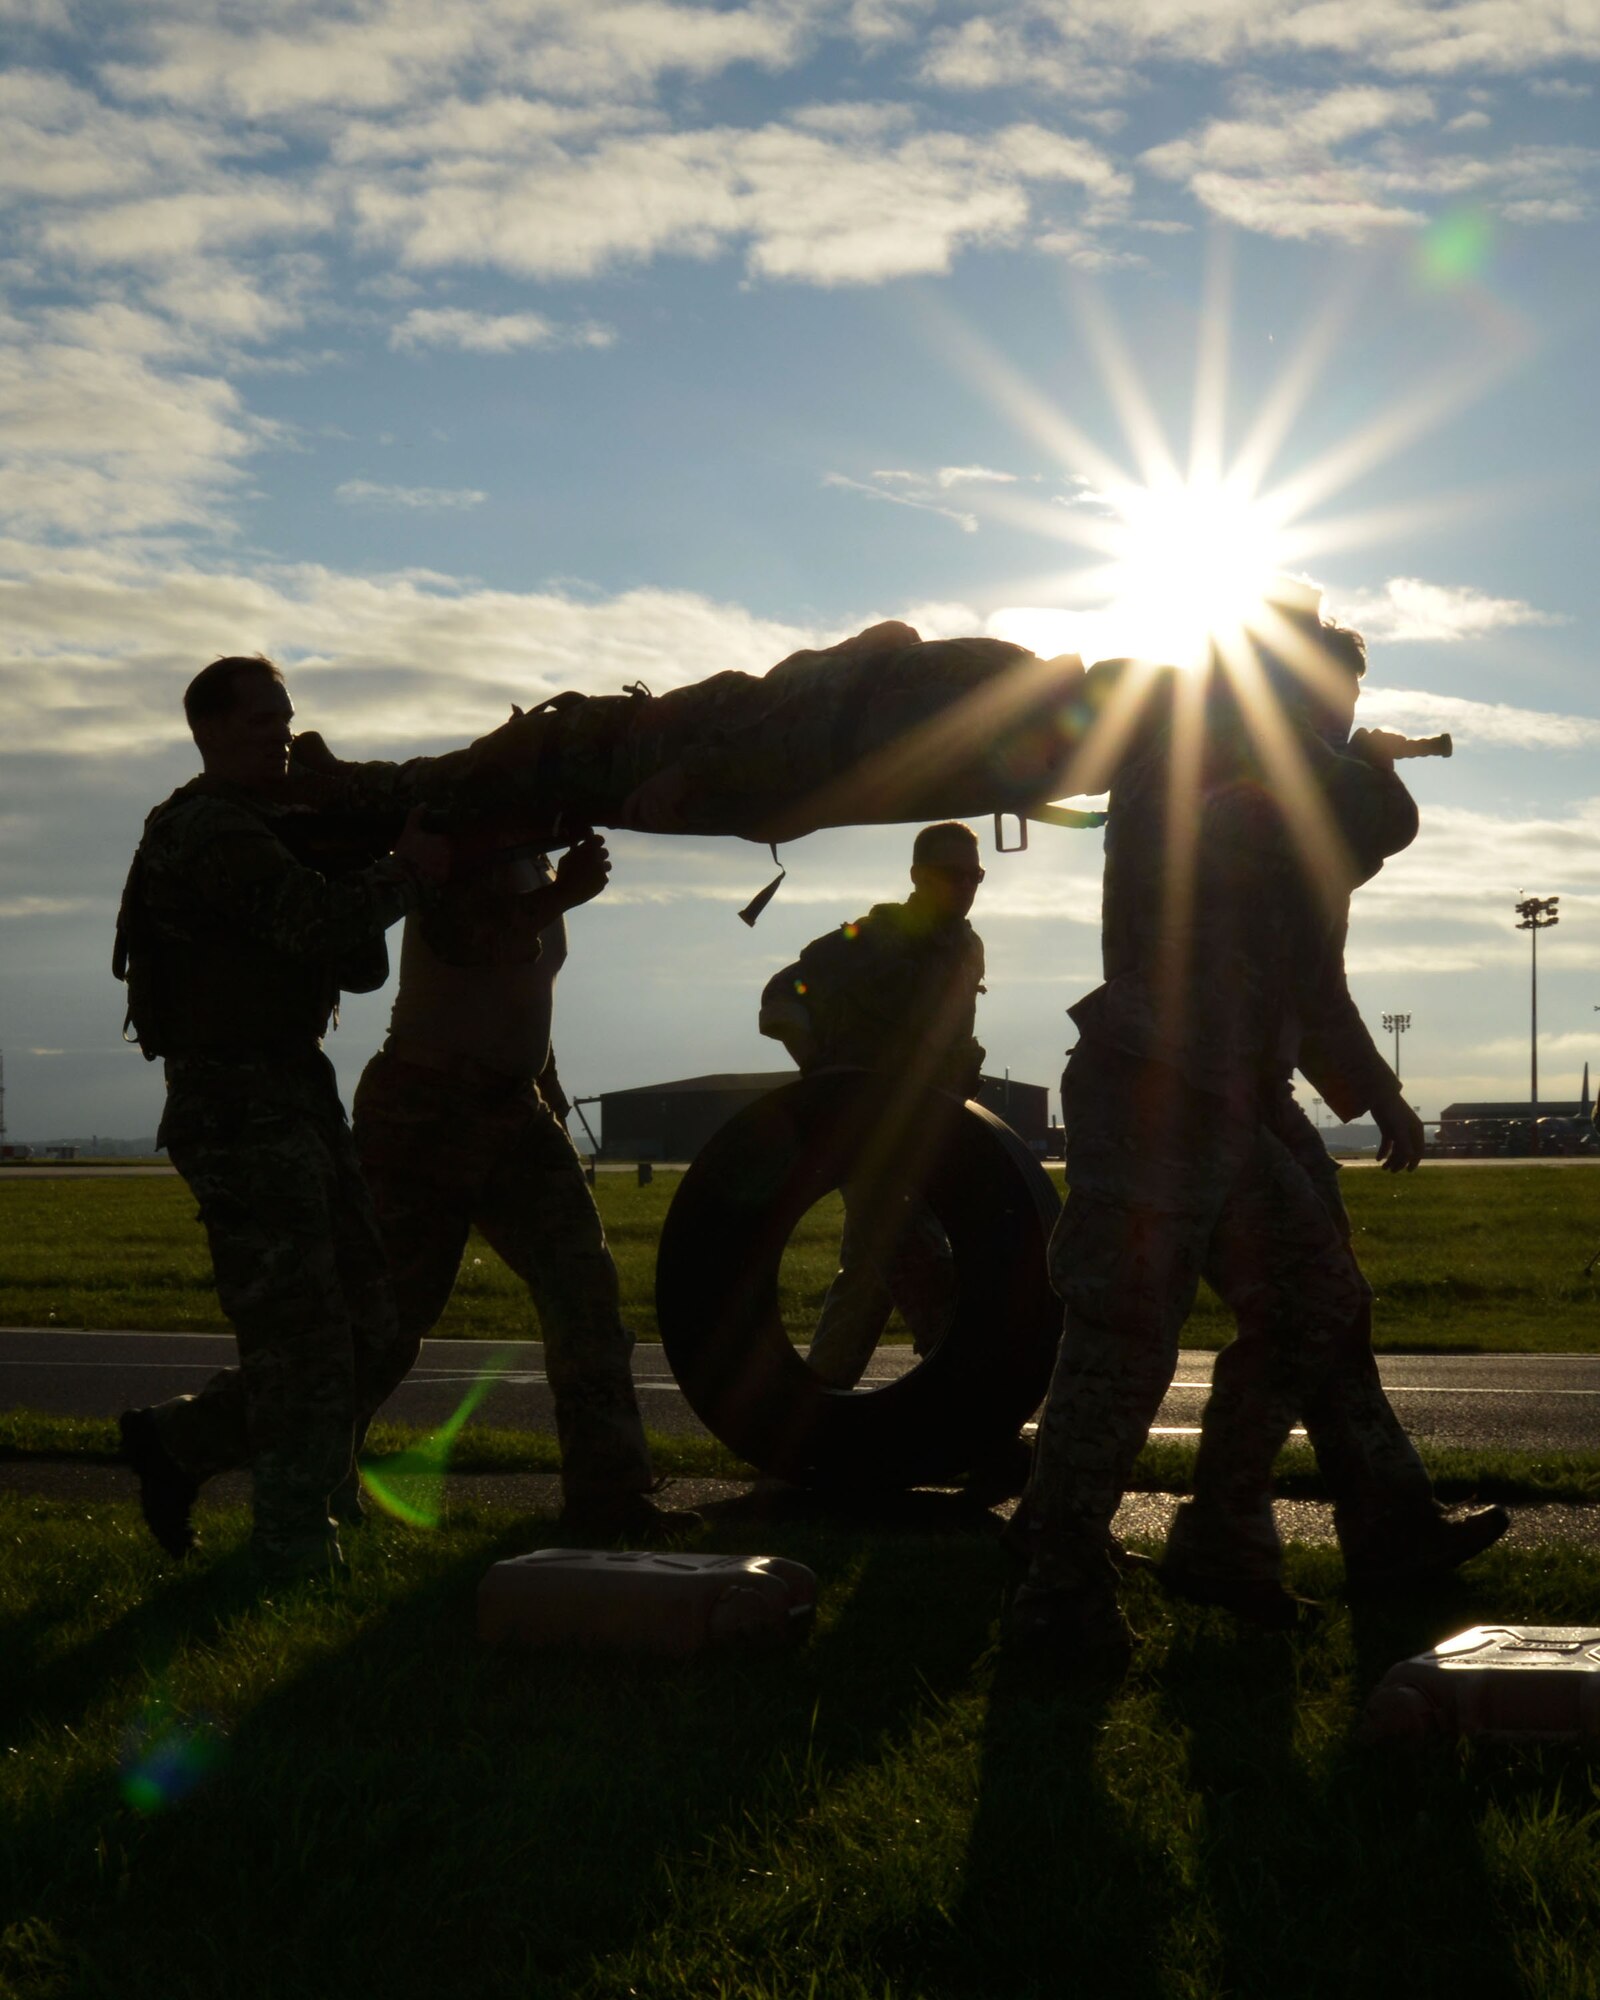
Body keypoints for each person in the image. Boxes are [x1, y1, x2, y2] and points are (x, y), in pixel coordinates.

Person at [1006, 589, 1507, 1664]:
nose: (1343, 715)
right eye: (1332, 695)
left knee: (1315, 1302)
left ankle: (1229, 1536)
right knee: (1121, 1344)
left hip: (1230, 1088)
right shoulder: (1213, 746)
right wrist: (1365, 764)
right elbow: (1375, 822)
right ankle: (1056, 1595)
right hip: (1155, 1079)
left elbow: (1309, 970)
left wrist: (1372, 1086)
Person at [115, 654, 449, 1582]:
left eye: (285, 717)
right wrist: (404, 874)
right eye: (259, 721)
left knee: (374, 1327)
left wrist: (374, 857)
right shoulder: (209, 830)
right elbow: (310, 922)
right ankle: (294, 1546)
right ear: (209, 730)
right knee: (299, 1335)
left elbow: (345, 952)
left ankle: (181, 1442)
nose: (279, 735)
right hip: (232, 1104)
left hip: (296, 1087)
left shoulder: (276, 823)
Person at [347, 817, 694, 1537]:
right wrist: (562, 896)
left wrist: (550, 1095)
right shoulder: (461, 846)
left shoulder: (533, 862)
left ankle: (610, 1499)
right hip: (427, 1108)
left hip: (512, 1106)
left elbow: (523, 995)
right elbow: (472, 942)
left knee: (583, 1293)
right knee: (387, 1319)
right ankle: (212, 1446)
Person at [759, 821, 986, 1388]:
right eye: (951, 875)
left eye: (974, 875)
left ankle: (809, 1427)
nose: (966, 886)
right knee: (925, 1271)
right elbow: (785, 993)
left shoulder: (966, 946)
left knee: (867, 1280)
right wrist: (820, 1071)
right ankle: (974, 1423)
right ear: (917, 877)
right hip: (867, 1135)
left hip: (928, 1131)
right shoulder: (869, 940)